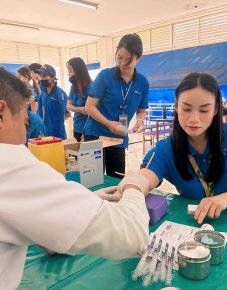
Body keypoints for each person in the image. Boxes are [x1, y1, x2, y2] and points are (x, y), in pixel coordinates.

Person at [0, 67, 149, 289]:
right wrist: (134, 185)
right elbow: (133, 235)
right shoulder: (9, 165)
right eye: (24, 122)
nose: (26, 135)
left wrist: (85, 202)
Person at [139, 72, 227, 224]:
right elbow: (144, 178)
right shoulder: (166, 149)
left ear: (216, 109)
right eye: (186, 109)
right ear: (176, 106)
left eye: (204, 110)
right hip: (197, 225)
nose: (194, 119)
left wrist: (224, 199)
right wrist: (131, 188)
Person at [84, 33, 149, 177]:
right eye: (119, 57)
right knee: (91, 178)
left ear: (138, 58)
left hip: (119, 137)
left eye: (128, 60)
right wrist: (108, 123)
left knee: (117, 179)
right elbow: (89, 106)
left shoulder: (143, 82)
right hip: (95, 134)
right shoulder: (105, 76)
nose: (122, 63)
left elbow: (142, 110)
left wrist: (140, 120)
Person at [37, 64, 68, 139]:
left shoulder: (60, 94)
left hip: (58, 135)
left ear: (52, 77)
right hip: (46, 134)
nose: (41, 79)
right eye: (41, 76)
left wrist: (57, 125)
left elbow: (67, 114)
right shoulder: (43, 93)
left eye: (44, 76)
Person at [66, 57, 91, 142]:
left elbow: (89, 110)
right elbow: (68, 105)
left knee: (88, 154)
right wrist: (80, 109)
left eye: (70, 71)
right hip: (77, 127)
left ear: (78, 71)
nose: (68, 74)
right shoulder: (74, 87)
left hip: (88, 131)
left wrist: (78, 109)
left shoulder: (91, 87)